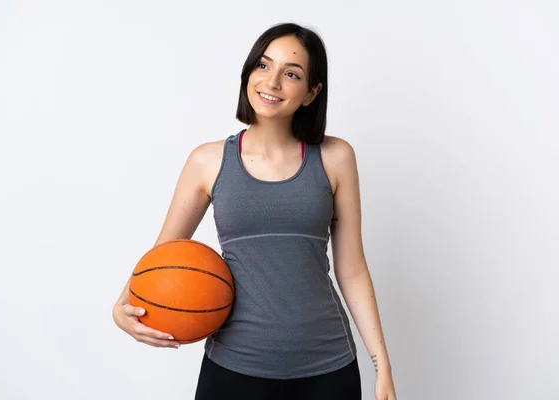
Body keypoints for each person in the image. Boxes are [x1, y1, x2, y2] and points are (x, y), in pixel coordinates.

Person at [113, 22, 397, 400]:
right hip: (233, 368)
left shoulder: (336, 158)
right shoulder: (207, 161)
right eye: (263, 66)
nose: (273, 82)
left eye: (291, 74)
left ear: (312, 92)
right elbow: (162, 255)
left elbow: (353, 269)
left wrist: (382, 367)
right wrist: (122, 307)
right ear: (248, 73)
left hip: (327, 368)